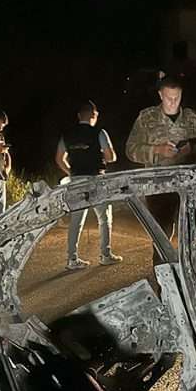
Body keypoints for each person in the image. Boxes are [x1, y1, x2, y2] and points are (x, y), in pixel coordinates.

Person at [125, 75, 196, 254]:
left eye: (176, 98)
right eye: (168, 98)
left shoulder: (191, 119)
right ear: (160, 95)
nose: (173, 102)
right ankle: (162, 278)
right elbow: (130, 150)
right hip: (158, 188)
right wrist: (157, 150)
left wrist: (192, 150)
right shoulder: (146, 118)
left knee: (192, 235)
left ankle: (191, 277)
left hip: (188, 186)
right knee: (162, 238)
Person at [56, 100, 123, 270]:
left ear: (79, 116)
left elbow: (59, 159)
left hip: (77, 180)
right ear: (94, 115)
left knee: (76, 220)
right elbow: (111, 158)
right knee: (104, 218)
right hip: (96, 180)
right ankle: (105, 255)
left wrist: (71, 172)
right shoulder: (99, 132)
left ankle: (72, 259)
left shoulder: (67, 134)